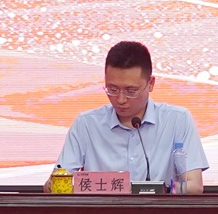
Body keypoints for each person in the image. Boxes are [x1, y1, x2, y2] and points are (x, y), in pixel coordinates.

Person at [52, 40, 208, 191]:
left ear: (151, 84)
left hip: (158, 208)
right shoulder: (86, 124)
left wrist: (157, 190)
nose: (121, 99)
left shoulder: (177, 120)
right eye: (112, 89)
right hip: (101, 209)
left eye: (131, 91)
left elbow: (194, 185)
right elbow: (53, 184)